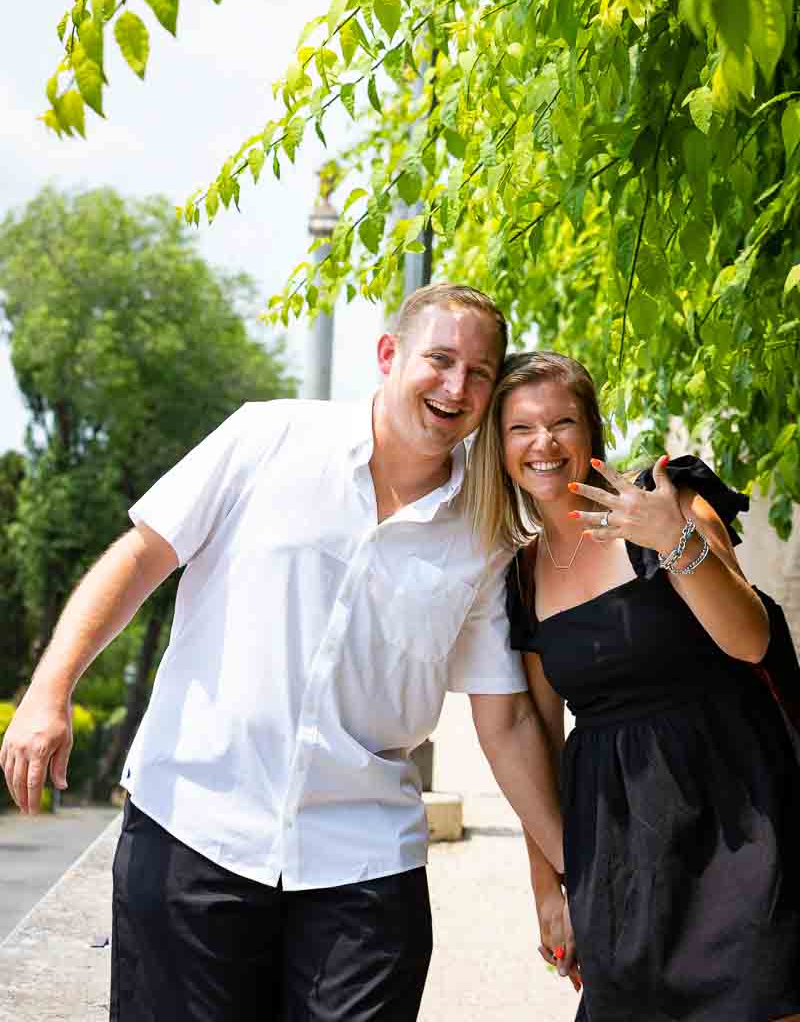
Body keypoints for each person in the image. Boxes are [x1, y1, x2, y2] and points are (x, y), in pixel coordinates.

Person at [0, 285, 567, 1022]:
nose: (457, 386)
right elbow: (141, 557)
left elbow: (508, 723)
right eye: (440, 358)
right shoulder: (266, 438)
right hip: (193, 834)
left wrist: (566, 872)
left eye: (481, 372)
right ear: (389, 355)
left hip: (365, 871)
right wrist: (51, 691)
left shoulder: (483, 534)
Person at [467, 349, 800, 1021]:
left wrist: (675, 540)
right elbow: (538, 733)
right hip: (620, 844)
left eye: (563, 421)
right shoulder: (522, 575)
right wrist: (548, 886)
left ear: (591, 430)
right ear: (498, 449)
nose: (544, 443)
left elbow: (750, 639)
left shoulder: (666, 505)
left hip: (738, 812)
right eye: (521, 428)